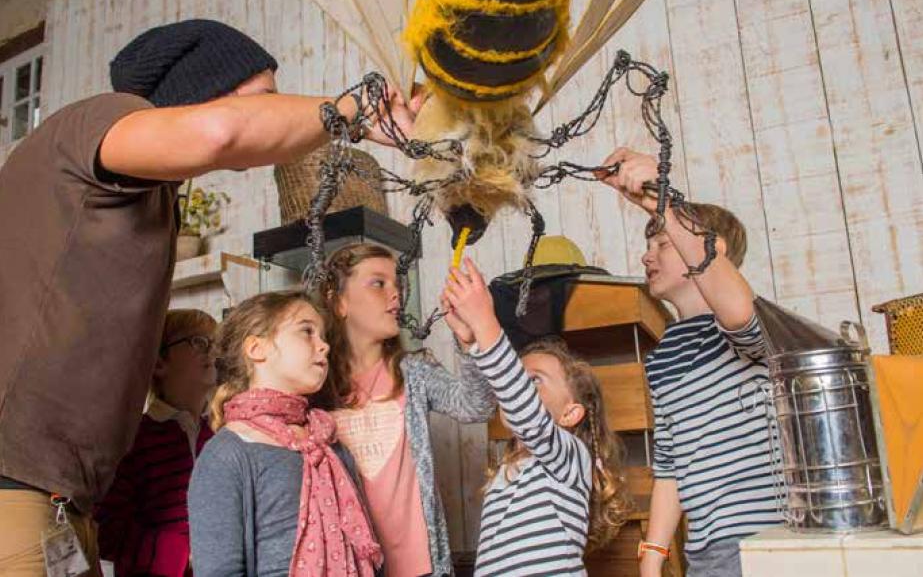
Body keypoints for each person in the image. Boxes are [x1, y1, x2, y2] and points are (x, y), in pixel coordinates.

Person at [0, 18, 417, 575]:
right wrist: (354, 111)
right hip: (17, 487)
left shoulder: (150, 198)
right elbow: (221, 133)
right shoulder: (96, 120)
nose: (278, 115)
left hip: (64, 501)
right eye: (264, 99)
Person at [598, 148, 781, 577]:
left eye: (662, 243)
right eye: (649, 244)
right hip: (707, 551)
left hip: (763, 542)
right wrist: (652, 556)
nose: (647, 256)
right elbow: (671, 463)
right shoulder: (664, 356)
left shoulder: (740, 323)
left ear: (710, 249)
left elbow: (737, 312)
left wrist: (665, 204)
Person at [315, 243, 496, 577]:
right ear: (339, 301)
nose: (395, 295)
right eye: (378, 283)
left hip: (423, 567)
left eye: (396, 285)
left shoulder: (413, 370)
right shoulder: (315, 386)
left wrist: (469, 342)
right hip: (353, 568)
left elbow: (477, 407)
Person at [442, 259, 632, 576]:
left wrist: (487, 324)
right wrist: (473, 341)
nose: (520, 388)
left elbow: (528, 416)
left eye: (534, 381)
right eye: (519, 378)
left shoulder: (571, 457)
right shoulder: (507, 469)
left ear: (571, 413)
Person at [188, 291, 381, 577]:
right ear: (256, 349)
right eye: (307, 331)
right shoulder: (227, 454)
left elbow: (364, 549)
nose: (324, 346)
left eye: (323, 335)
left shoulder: (328, 444)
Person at [95, 309, 218, 577]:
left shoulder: (222, 436)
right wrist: (182, 555)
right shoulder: (133, 438)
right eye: (198, 342)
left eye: (215, 343)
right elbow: (107, 526)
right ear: (159, 363)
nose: (212, 351)